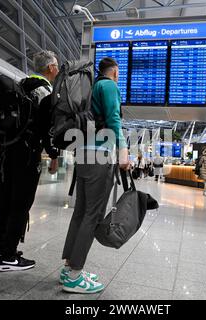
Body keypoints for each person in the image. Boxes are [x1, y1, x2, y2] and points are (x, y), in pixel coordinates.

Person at [61, 57, 129, 294]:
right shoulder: (109, 85)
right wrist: (123, 150)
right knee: (92, 214)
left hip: (83, 154)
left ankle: (69, 266)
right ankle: (75, 274)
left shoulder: (92, 87)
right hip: (99, 154)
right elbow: (114, 119)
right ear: (115, 72)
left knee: (81, 212)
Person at [0, 51, 60, 272]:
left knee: (5, 201)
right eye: (56, 66)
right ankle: (9, 257)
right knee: (20, 204)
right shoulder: (45, 91)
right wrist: (54, 155)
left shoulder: (19, 84)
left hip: (6, 152)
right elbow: (45, 127)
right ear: (50, 68)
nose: (57, 70)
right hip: (27, 155)